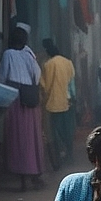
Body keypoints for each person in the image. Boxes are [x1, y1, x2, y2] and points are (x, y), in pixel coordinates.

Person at [0, 24, 44, 192]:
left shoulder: (8, 54)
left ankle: (22, 178)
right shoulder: (29, 54)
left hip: (15, 99)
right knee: (32, 137)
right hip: (30, 98)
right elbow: (37, 75)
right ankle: (34, 173)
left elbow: (1, 76)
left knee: (17, 138)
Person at [39, 39, 77, 168]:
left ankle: (58, 156)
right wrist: (73, 97)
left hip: (52, 103)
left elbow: (43, 85)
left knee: (55, 131)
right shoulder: (68, 63)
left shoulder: (47, 64)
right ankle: (70, 153)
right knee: (67, 128)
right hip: (67, 101)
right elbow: (71, 83)